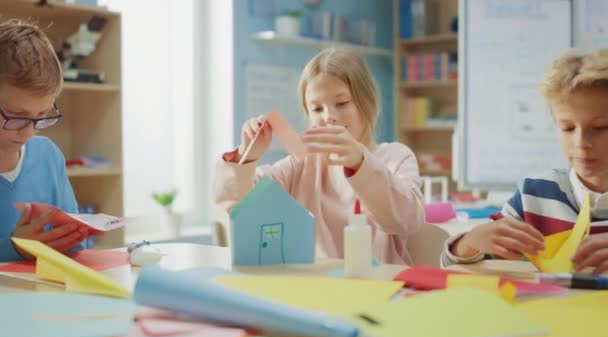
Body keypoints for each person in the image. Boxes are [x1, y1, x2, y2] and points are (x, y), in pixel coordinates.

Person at [214, 48, 424, 265]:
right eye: (316, 109)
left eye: (342, 103)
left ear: (367, 102)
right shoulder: (303, 163)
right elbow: (239, 204)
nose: (329, 117)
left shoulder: (396, 156)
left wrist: (360, 163)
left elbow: (406, 220)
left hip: (380, 288)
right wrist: (247, 156)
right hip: (316, 289)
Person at [442, 49, 608, 275]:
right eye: (567, 128)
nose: (581, 143)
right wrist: (467, 243)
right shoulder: (534, 194)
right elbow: (458, 268)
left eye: (600, 128)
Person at [0, 19, 88, 261]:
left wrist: (78, 236)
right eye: (17, 116)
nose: (29, 132)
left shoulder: (47, 155)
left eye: (42, 115)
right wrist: (14, 248)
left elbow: (76, 245)